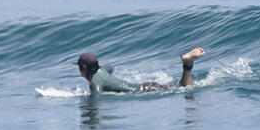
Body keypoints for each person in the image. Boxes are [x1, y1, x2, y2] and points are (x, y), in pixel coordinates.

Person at [77, 48, 205, 94]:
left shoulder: (95, 82)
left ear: (83, 68)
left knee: (184, 88)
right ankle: (188, 64)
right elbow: (110, 68)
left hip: (144, 91)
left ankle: (188, 63)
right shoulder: (102, 70)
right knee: (181, 87)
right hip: (147, 86)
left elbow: (95, 98)